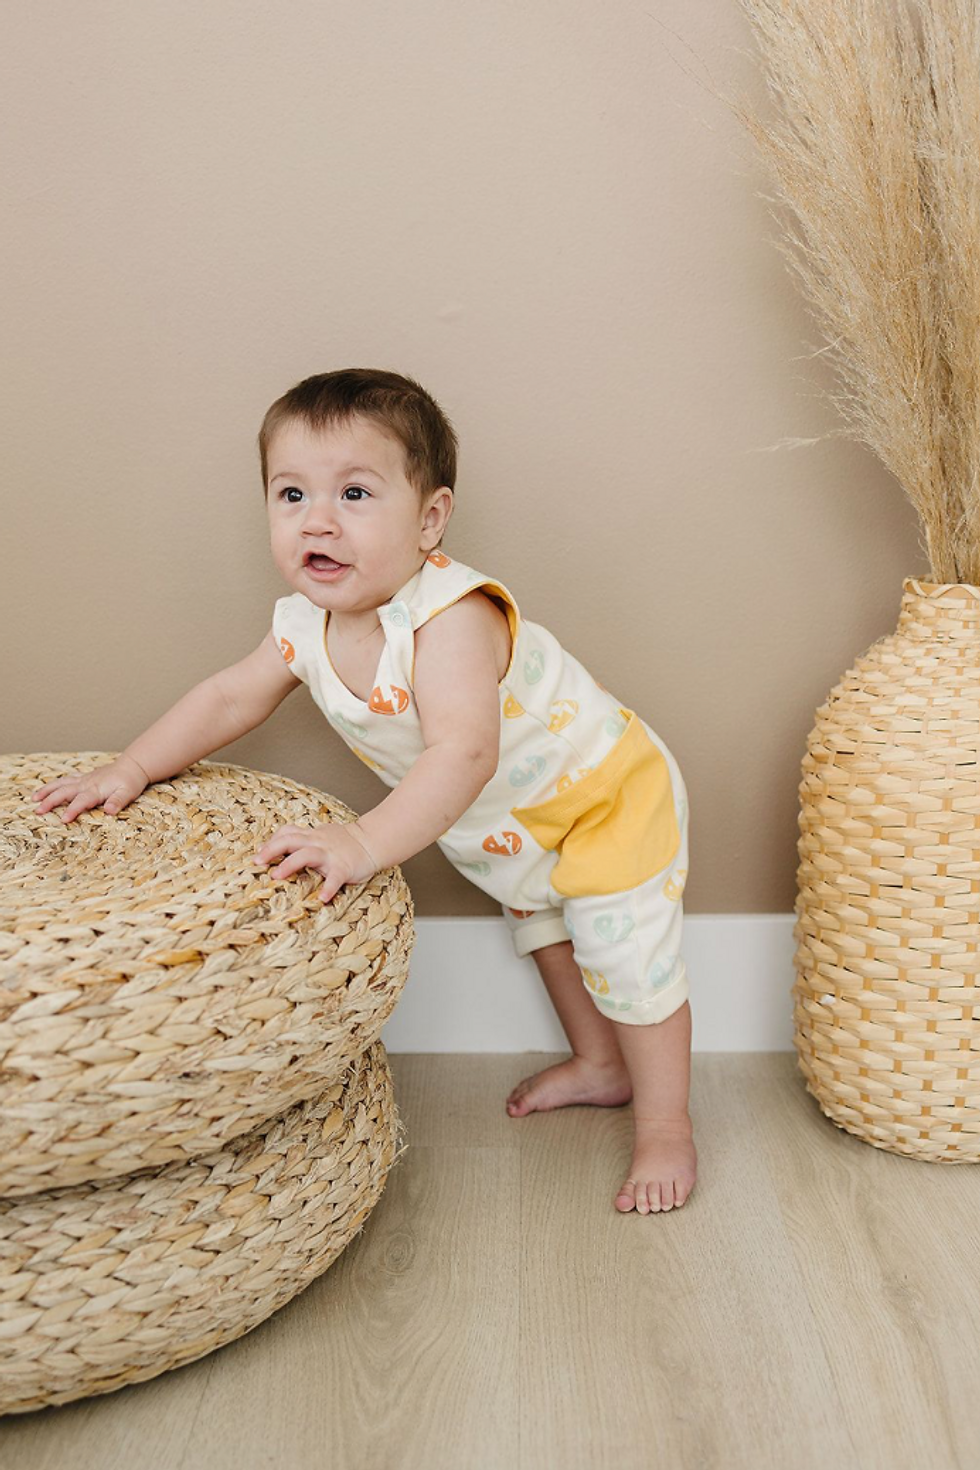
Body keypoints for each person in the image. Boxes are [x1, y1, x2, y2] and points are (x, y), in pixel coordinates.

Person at [31, 368, 696, 1216]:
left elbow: (464, 754)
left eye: (353, 494)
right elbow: (227, 699)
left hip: (607, 800)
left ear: (429, 520)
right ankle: (602, 1067)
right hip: (517, 830)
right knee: (547, 932)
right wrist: (132, 767)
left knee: (624, 956)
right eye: (292, 494)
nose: (318, 520)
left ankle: (666, 1126)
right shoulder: (301, 624)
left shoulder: (449, 619)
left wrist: (364, 842)